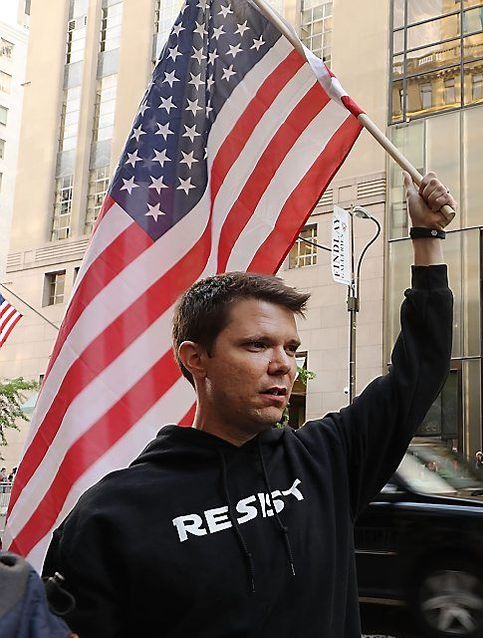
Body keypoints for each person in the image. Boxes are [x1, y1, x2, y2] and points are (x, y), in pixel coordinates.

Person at [41, 173, 456, 638]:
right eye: (258, 345)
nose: (283, 365)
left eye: (292, 348)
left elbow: (419, 368)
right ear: (196, 359)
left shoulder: (328, 459)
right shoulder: (111, 516)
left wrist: (426, 238)